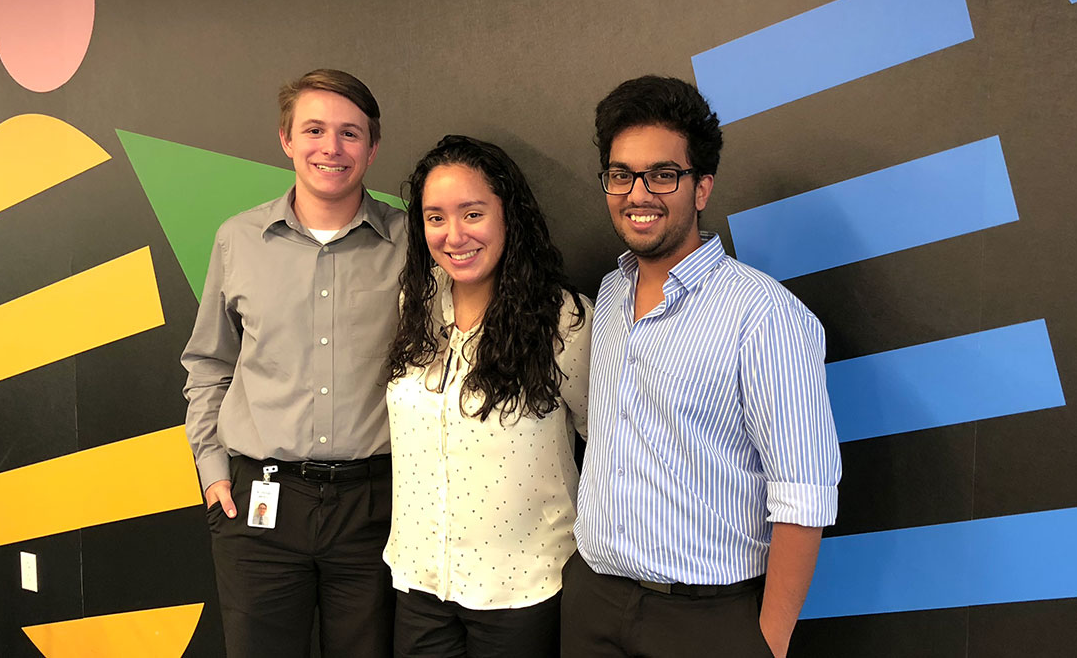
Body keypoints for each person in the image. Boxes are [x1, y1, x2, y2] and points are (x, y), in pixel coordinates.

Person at [562, 75, 842, 658]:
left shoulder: (763, 315)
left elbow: (804, 495)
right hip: (594, 602)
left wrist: (767, 643)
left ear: (702, 188)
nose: (638, 193)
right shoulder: (611, 295)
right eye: (621, 174)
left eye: (663, 174)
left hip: (708, 619)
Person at [181, 68, 406, 657]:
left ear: (373, 147)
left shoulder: (414, 242)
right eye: (314, 130)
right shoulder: (238, 240)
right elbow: (209, 362)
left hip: (375, 506)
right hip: (257, 504)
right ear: (286, 139)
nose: (331, 148)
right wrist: (211, 470)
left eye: (350, 134)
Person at [383, 135, 591, 658]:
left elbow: (607, 444)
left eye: (472, 213)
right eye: (435, 217)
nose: (454, 235)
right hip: (422, 583)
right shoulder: (415, 303)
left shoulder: (563, 320)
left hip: (525, 589)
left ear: (508, 217)